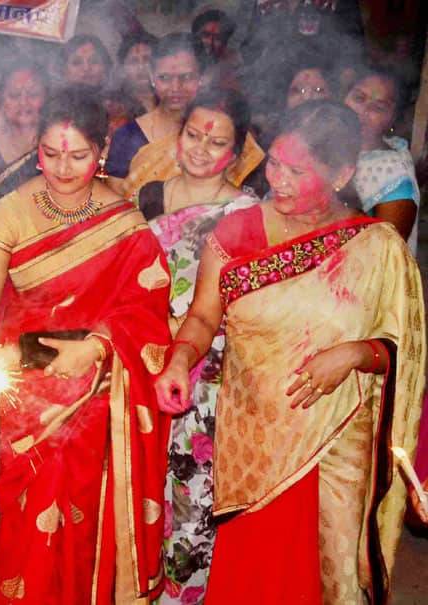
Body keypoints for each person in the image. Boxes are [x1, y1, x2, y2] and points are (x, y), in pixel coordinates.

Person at [155, 101, 425, 604]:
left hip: (333, 448)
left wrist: (355, 353)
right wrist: (179, 360)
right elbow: (202, 316)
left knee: (321, 577)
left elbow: (403, 352)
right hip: (252, 443)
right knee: (253, 576)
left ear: (342, 173)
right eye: (275, 164)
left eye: (297, 170)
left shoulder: (375, 246)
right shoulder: (237, 232)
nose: (278, 179)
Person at [0, 85, 171, 604]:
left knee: (86, 528)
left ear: (101, 152)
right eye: (50, 154)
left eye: (78, 155)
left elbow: (146, 308)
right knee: (23, 532)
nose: (62, 167)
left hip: (97, 397)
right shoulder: (11, 209)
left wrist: (99, 346)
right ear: (36, 148)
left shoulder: (124, 221)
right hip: (28, 392)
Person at [135, 89, 258, 605]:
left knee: (191, 503)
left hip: (207, 378)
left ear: (237, 151)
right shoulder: (147, 196)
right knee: (139, 495)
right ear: (177, 134)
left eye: (218, 141)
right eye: (193, 134)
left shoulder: (246, 212)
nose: (202, 149)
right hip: (141, 364)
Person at [105, 33, 203, 196]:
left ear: (202, 78)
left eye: (186, 77)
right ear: (152, 77)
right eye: (164, 78)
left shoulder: (219, 134)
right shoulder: (127, 137)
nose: (175, 87)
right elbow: (116, 207)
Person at [342, 65, 419, 252]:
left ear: (393, 119)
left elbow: (385, 258)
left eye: (379, 107)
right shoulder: (328, 143)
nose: (364, 111)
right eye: (359, 98)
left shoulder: (394, 176)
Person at [0, 61, 48, 192]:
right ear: (1, 100)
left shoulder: (58, 150)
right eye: (14, 95)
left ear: (46, 97)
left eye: (33, 94)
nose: (23, 102)